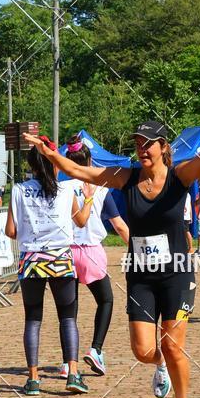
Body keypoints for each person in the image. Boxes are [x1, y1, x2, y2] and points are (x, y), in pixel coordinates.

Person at [24, 97, 200, 398]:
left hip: (177, 273)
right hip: (141, 276)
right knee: (143, 350)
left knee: (171, 343)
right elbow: (80, 170)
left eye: (147, 144)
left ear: (163, 146)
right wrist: (49, 153)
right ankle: (162, 366)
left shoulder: (180, 176)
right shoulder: (126, 177)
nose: (141, 149)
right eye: (137, 144)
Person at [4, 136, 91, 396]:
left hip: (31, 261)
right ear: (55, 162)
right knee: (67, 317)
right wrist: (88, 199)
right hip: (60, 260)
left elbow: (10, 230)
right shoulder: (66, 192)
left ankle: (33, 379)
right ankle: (73, 374)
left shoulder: (19, 190)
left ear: (31, 165)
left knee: (33, 319)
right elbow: (82, 222)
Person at [57, 135, 129, 378]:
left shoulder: (60, 189)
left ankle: (69, 361)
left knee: (69, 309)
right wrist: (139, 247)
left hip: (65, 251)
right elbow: (119, 226)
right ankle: (96, 349)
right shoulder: (100, 189)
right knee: (106, 300)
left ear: (68, 162)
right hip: (91, 252)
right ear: (90, 160)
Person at [183, 190, 194, 254]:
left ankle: (191, 248)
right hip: (186, 216)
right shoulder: (188, 194)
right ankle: (187, 247)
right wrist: (191, 216)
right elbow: (190, 206)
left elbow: (187, 206)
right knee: (185, 232)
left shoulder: (185, 194)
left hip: (184, 216)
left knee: (186, 232)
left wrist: (190, 216)